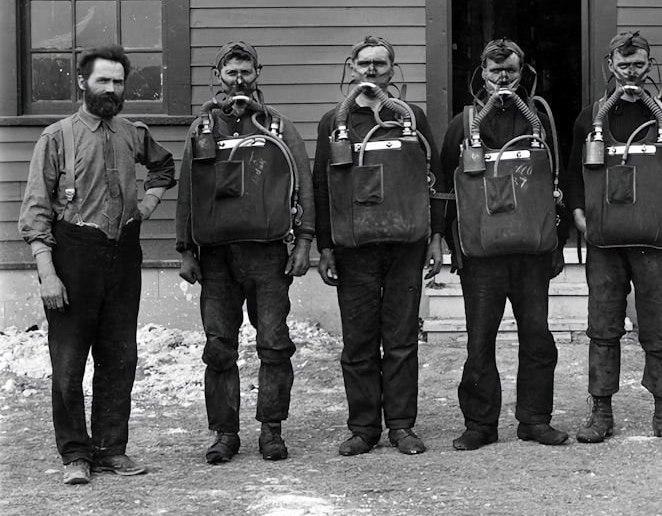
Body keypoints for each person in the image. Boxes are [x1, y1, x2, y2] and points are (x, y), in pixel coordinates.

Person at [19, 44, 176, 485]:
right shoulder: (56, 137)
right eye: (102, 80)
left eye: (118, 82)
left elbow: (164, 168)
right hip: (73, 253)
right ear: (83, 83)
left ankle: (111, 450)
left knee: (120, 357)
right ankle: (75, 455)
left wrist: (145, 206)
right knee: (69, 364)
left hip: (123, 253)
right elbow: (35, 214)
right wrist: (48, 273)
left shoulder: (132, 132)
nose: (110, 89)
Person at [176, 41, 315, 464]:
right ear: (218, 75)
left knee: (274, 344)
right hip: (216, 257)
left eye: (246, 72)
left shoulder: (277, 127)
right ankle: (225, 433)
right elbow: (187, 192)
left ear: (258, 75)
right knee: (219, 346)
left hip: (268, 255)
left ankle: (271, 430)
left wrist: (304, 241)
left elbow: (302, 183)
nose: (239, 80)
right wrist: (186, 250)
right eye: (231, 72)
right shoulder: (202, 129)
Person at [564, 31, 662, 445]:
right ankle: (601, 409)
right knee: (603, 326)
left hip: (655, 243)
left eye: (638, 65)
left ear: (649, 65)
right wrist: (578, 217)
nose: (631, 73)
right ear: (610, 66)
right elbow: (572, 175)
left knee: (659, 325)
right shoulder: (592, 118)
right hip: (606, 243)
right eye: (623, 66)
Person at [313, 36, 446, 456]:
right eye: (364, 63)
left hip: (405, 244)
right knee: (358, 341)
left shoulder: (411, 118)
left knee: (402, 338)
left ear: (392, 70)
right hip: (355, 247)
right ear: (352, 67)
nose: (371, 71)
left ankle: (402, 426)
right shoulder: (333, 123)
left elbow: (435, 181)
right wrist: (326, 247)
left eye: (380, 64)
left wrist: (434, 237)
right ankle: (364, 427)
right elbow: (322, 188)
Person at [440, 38, 569, 451]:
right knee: (480, 340)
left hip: (531, 252)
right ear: (482, 73)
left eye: (510, 71)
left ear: (522, 72)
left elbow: (557, 184)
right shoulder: (464, 123)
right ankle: (480, 424)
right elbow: (446, 189)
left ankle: (534, 420)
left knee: (537, 337)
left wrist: (557, 244)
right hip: (481, 257)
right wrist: (447, 244)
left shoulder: (540, 120)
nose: (503, 79)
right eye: (495, 72)